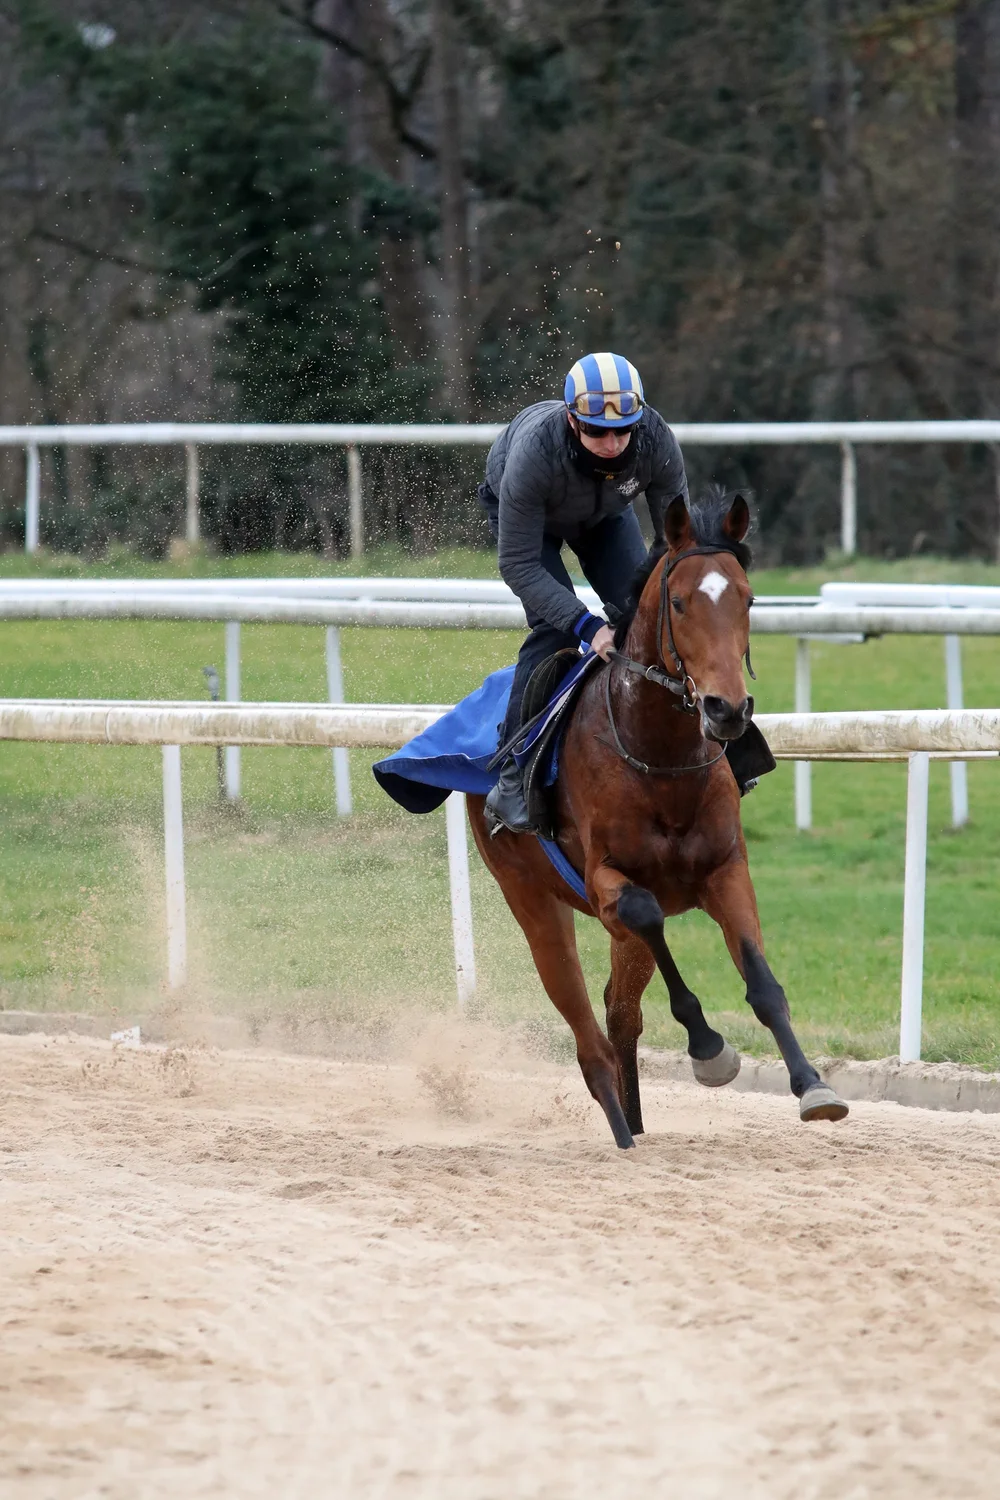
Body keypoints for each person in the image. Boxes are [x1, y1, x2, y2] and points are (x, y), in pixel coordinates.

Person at [479, 351, 689, 834]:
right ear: (573, 420)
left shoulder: (657, 439)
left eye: (623, 431)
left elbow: (675, 542)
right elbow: (518, 564)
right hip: (529, 526)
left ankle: (710, 739)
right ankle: (513, 775)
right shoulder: (534, 454)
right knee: (555, 632)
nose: (611, 444)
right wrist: (587, 625)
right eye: (597, 431)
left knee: (649, 615)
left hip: (604, 516)